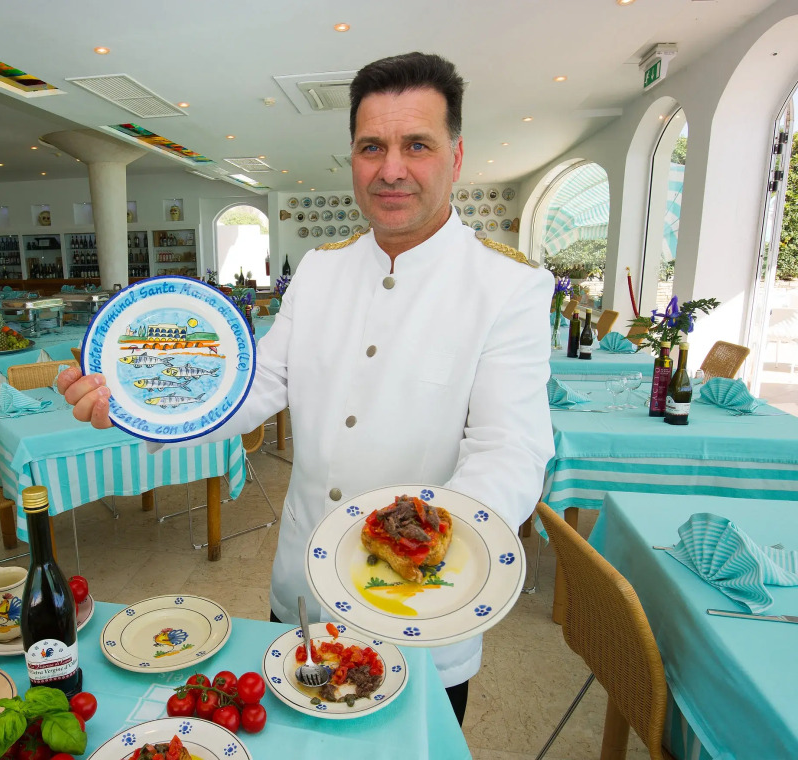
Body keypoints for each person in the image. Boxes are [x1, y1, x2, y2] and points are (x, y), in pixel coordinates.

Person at [57, 51, 554, 724]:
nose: (391, 169)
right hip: (302, 594)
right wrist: (143, 408)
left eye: (417, 145)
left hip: (421, 613)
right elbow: (256, 385)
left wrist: (423, 541)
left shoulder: (507, 286)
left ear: (457, 157)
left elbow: (510, 447)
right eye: (371, 147)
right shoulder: (320, 270)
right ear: (352, 158)